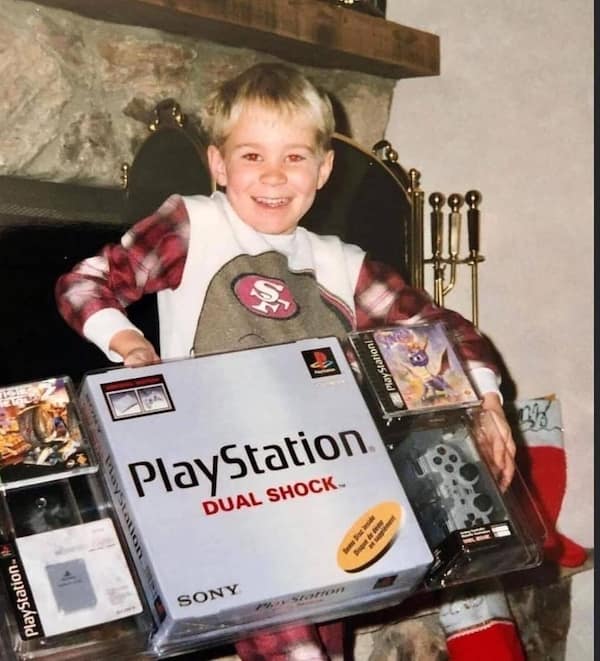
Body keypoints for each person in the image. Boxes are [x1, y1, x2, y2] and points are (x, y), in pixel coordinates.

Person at [55, 62, 516, 661]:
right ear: (219, 165)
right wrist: (132, 346)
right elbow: (84, 282)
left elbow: (440, 331)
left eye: (295, 157)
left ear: (323, 169)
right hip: (216, 477)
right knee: (289, 627)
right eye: (252, 156)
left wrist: (486, 400)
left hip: (324, 482)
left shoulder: (342, 264)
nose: (273, 175)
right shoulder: (195, 224)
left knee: (327, 621)